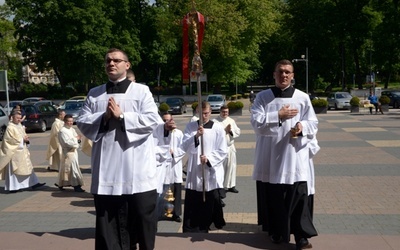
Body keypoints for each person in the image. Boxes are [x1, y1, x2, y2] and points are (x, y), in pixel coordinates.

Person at [76, 48, 163, 250]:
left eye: (116, 60)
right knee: (108, 221)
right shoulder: (94, 93)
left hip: (136, 166)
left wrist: (123, 117)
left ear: (127, 64)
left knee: (141, 216)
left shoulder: (141, 91)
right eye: (108, 61)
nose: (111, 64)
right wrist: (104, 117)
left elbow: (152, 120)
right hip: (107, 168)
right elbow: (82, 122)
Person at [251, 59, 318, 250]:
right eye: (280, 71)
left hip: (294, 154)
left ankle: (301, 236)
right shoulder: (263, 97)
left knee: (299, 195)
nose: (284, 75)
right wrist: (278, 116)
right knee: (275, 198)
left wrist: (301, 127)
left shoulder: (302, 97)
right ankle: (278, 232)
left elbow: (313, 122)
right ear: (274, 74)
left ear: (293, 75)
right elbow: (256, 123)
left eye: (288, 72)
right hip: (271, 156)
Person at [181, 101, 228, 233]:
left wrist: (209, 159)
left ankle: (205, 225)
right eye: (201, 113)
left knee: (208, 199)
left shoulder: (217, 128)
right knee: (193, 199)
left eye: (206, 113)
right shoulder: (191, 126)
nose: (204, 116)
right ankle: (191, 227)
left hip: (209, 169)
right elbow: (184, 146)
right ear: (197, 112)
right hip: (195, 168)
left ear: (210, 112)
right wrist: (196, 136)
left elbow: (223, 150)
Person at [0, 110, 46, 193]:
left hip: (22, 151)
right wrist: (22, 140)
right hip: (14, 153)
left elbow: (23, 135)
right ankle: (14, 187)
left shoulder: (19, 125)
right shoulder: (10, 127)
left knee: (28, 168)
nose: (19, 120)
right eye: (17, 118)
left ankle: (34, 183)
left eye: (20, 118)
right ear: (12, 117)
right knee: (16, 171)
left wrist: (26, 139)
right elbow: (8, 141)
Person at [154, 113, 185, 222]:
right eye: (164, 120)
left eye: (169, 119)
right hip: (162, 165)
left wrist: (174, 153)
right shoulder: (158, 133)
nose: (167, 122)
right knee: (163, 189)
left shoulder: (179, 133)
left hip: (174, 165)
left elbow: (183, 148)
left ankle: (176, 214)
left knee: (175, 190)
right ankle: (161, 212)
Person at [214, 105, 241, 194]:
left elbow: (237, 131)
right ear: (220, 112)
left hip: (230, 147)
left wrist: (230, 132)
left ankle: (231, 185)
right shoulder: (215, 122)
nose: (225, 113)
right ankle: (221, 187)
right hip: (220, 148)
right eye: (223, 112)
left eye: (227, 112)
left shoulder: (231, 121)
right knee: (222, 168)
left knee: (232, 166)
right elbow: (214, 135)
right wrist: (224, 131)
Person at [55, 114, 85, 192]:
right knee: (72, 169)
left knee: (67, 169)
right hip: (68, 152)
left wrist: (78, 140)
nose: (71, 123)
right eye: (69, 121)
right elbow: (66, 142)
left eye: (72, 121)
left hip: (73, 152)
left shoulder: (71, 129)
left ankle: (60, 183)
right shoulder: (62, 131)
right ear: (65, 121)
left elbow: (77, 138)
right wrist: (76, 139)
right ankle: (76, 186)